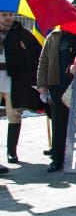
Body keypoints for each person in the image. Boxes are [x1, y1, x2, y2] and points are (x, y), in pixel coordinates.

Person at [37, 26, 76, 173]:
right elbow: (44, 61)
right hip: (57, 84)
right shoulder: (54, 36)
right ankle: (58, 159)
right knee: (58, 123)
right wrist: (41, 84)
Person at [1, 12, 42, 164]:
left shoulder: (21, 33)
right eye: (4, 15)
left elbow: (36, 53)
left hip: (14, 79)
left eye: (10, 15)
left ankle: (11, 151)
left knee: (14, 115)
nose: (8, 18)